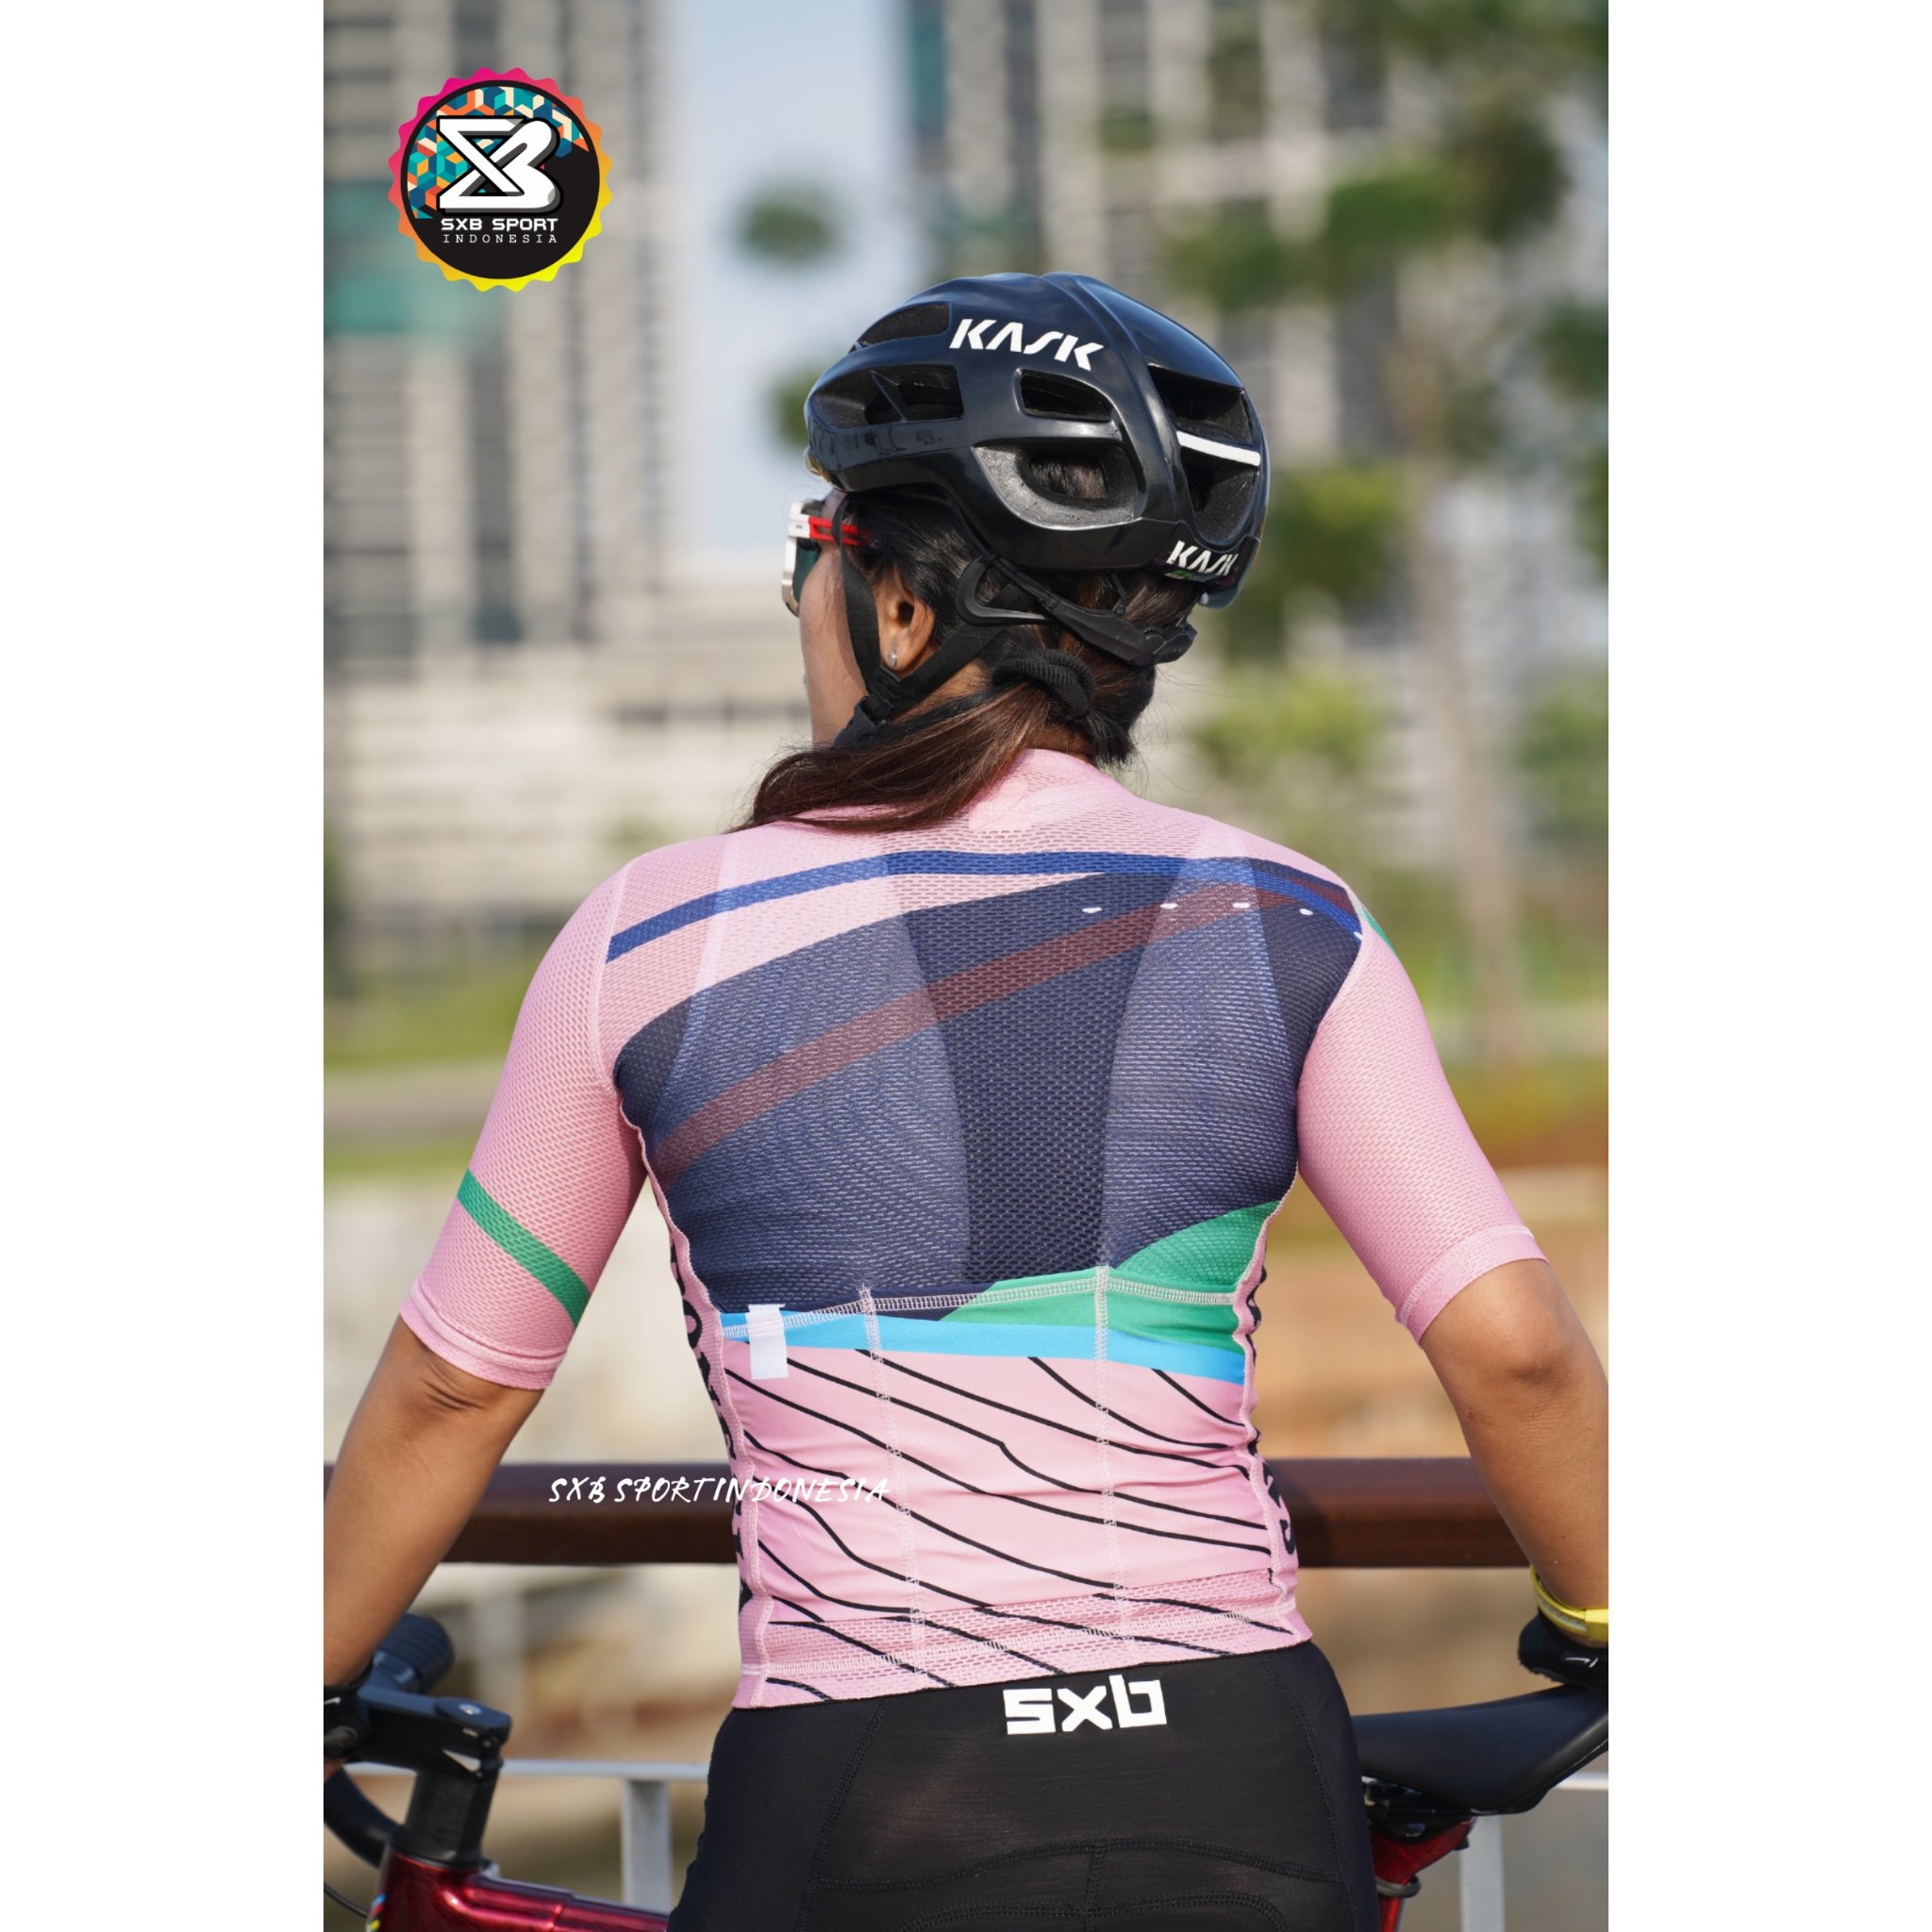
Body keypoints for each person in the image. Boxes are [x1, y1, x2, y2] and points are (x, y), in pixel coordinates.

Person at [324, 273, 1607, 1931]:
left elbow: (452, 1388)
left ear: (903, 610)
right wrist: (1601, 1618)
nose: (802, 592)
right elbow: (1515, 1351)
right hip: (1237, 1768)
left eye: (815, 547)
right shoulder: (1290, 916)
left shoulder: (650, 935)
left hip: (867, 1786)